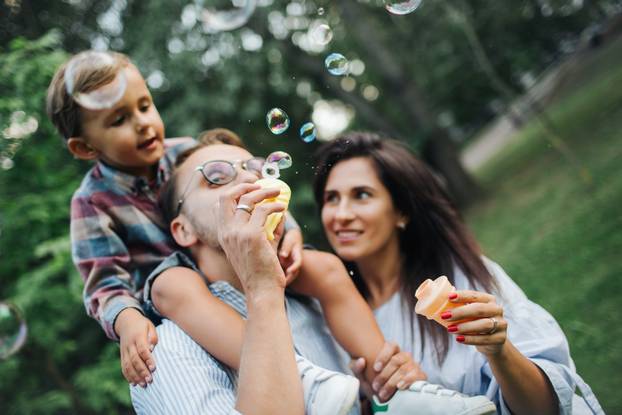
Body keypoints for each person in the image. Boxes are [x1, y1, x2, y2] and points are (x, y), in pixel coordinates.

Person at [46, 50, 361, 412]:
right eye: (119, 120)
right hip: (171, 291)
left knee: (322, 265)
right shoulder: (92, 202)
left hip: (230, 261)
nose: (143, 124)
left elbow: (245, 184)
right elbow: (104, 281)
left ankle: (386, 374)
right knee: (173, 283)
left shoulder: (185, 152)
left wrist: (286, 229)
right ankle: (300, 375)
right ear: (85, 147)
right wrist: (126, 318)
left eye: (145, 106)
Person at [132, 139, 496, 414]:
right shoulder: (166, 355)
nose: (246, 178)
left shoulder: (314, 303)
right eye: (216, 177)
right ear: (182, 231)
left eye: (253, 169)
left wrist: (379, 392)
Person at [313, 131, 604, 415]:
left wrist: (499, 350)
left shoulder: (459, 283)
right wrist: (372, 402)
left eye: (361, 195)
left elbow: (544, 409)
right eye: (331, 198)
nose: (341, 215)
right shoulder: (334, 315)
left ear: (401, 212)